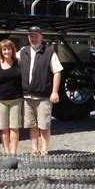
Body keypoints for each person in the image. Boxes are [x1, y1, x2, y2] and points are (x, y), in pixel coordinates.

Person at [18, 26, 63, 155]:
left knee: (44, 124)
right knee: (31, 124)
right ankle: (34, 148)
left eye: (36, 36)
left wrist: (54, 92)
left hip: (43, 96)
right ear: (28, 37)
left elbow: (57, 71)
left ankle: (44, 149)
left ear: (41, 37)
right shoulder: (23, 51)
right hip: (27, 96)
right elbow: (9, 58)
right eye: (31, 36)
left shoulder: (49, 52)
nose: (34, 38)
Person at [0, 39, 23, 154]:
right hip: (1, 99)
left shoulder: (18, 62)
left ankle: (13, 152)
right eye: (4, 49)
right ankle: (6, 151)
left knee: (14, 127)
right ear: (1, 51)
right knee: (4, 128)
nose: (7, 51)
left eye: (9, 49)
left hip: (16, 98)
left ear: (12, 50)